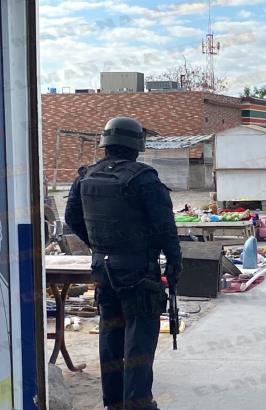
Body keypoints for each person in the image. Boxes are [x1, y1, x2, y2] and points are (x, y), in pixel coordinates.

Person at [65, 117, 182, 410]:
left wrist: (99, 245)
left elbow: (72, 219)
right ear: (137, 146)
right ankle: (138, 404)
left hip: (103, 270)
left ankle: (114, 403)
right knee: (139, 339)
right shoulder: (142, 178)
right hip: (138, 271)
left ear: (106, 143)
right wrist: (174, 263)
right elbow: (165, 227)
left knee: (110, 335)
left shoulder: (86, 176)